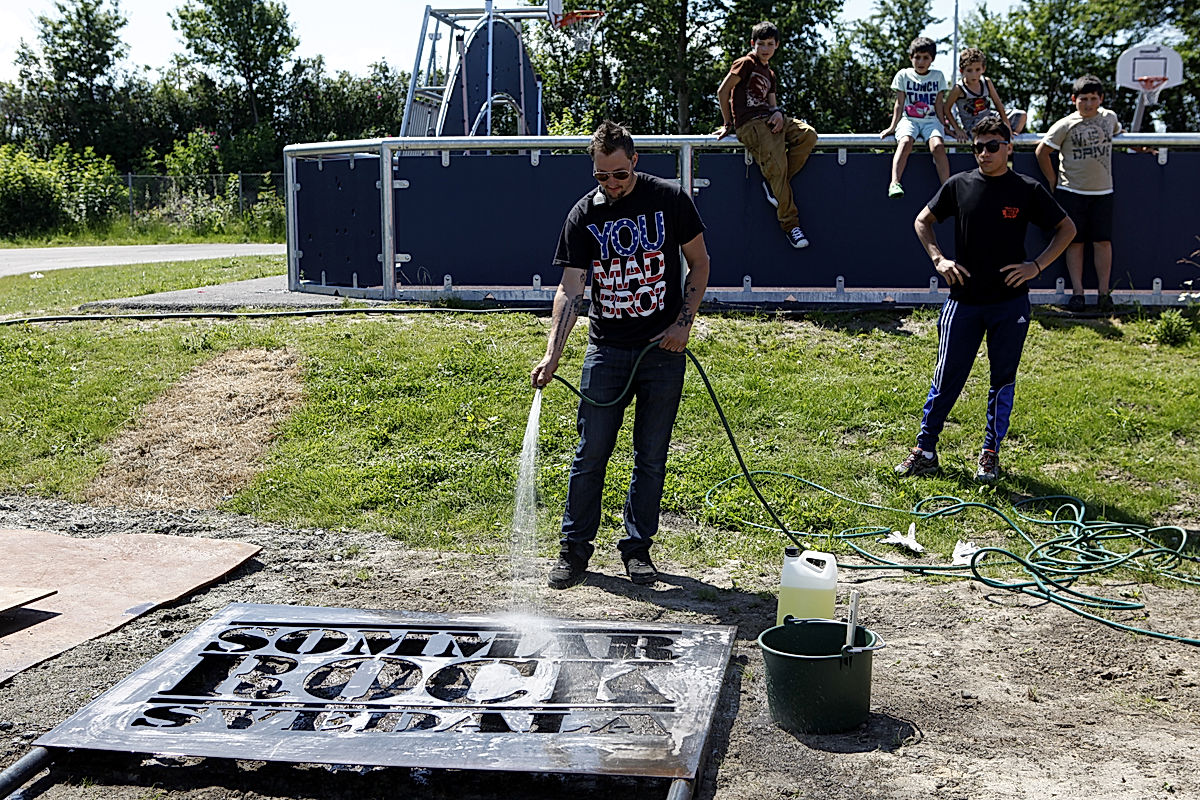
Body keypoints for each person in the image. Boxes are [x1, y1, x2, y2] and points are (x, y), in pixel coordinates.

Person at [531, 120, 711, 589]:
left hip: (661, 350)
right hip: (606, 350)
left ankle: (637, 550)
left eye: (619, 175)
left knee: (651, 455)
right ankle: (573, 551)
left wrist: (682, 324)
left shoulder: (669, 200)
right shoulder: (583, 215)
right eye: (601, 177)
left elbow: (701, 262)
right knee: (591, 452)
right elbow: (570, 289)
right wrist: (553, 354)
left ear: (634, 162)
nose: (611, 185)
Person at [895, 117, 1076, 483]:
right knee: (947, 378)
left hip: (1010, 305)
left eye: (992, 146)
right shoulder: (959, 185)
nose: (984, 153)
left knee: (1002, 379)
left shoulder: (1027, 189)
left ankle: (990, 454)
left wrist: (1036, 266)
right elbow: (921, 221)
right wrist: (938, 259)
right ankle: (926, 450)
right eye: (977, 147)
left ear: (1009, 148)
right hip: (963, 301)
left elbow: (1067, 229)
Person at [715, 20, 818, 249]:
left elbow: (773, 105)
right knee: (778, 169)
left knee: (808, 135)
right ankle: (791, 225)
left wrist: (779, 114)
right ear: (753, 43)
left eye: (770, 44)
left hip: (770, 120)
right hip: (751, 124)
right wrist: (727, 124)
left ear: (777, 46)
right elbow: (723, 91)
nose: (765, 49)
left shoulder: (770, 74)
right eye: (761, 43)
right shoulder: (746, 63)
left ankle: (775, 185)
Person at [1036, 75, 1123, 313]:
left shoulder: (1110, 118)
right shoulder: (1064, 124)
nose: (1088, 104)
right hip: (1071, 191)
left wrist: (1144, 149)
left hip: (1103, 191)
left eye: (1093, 98)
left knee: (1102, 242)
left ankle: (1104, 295)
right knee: (1074, 243)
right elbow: (1042, 152)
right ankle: (1078, 294)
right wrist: (1053, 180)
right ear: (1074, 99)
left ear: (1101, 99)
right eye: (1083, 99)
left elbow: (1122, 135)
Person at [881, 36, 950, 199]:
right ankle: (895, 182)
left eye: (925, 58)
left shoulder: (938, 76)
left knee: (938, 146)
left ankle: (948, 187)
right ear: (911, 58)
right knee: (905, 142)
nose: (921, 61)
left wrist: (944, 126)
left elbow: (939, 104)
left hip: (931, 120)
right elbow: (899, 103)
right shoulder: (903, 75)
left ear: (932, 59)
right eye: (917, 57)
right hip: (909, 119)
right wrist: (892, 127)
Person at [943, 47, 1027, 140]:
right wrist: (957, 129)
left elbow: (998, 104)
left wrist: (1006, 124)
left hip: (990, 117)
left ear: (983, 69)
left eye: (977, 69)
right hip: (974, 125)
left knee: (1021, 115)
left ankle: (1008, 137)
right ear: (962, 71)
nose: (974, 74)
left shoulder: (986, 82)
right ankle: (995, 137)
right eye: (969, 70)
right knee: (988, 128)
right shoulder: (959, 88)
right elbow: (946, 109)